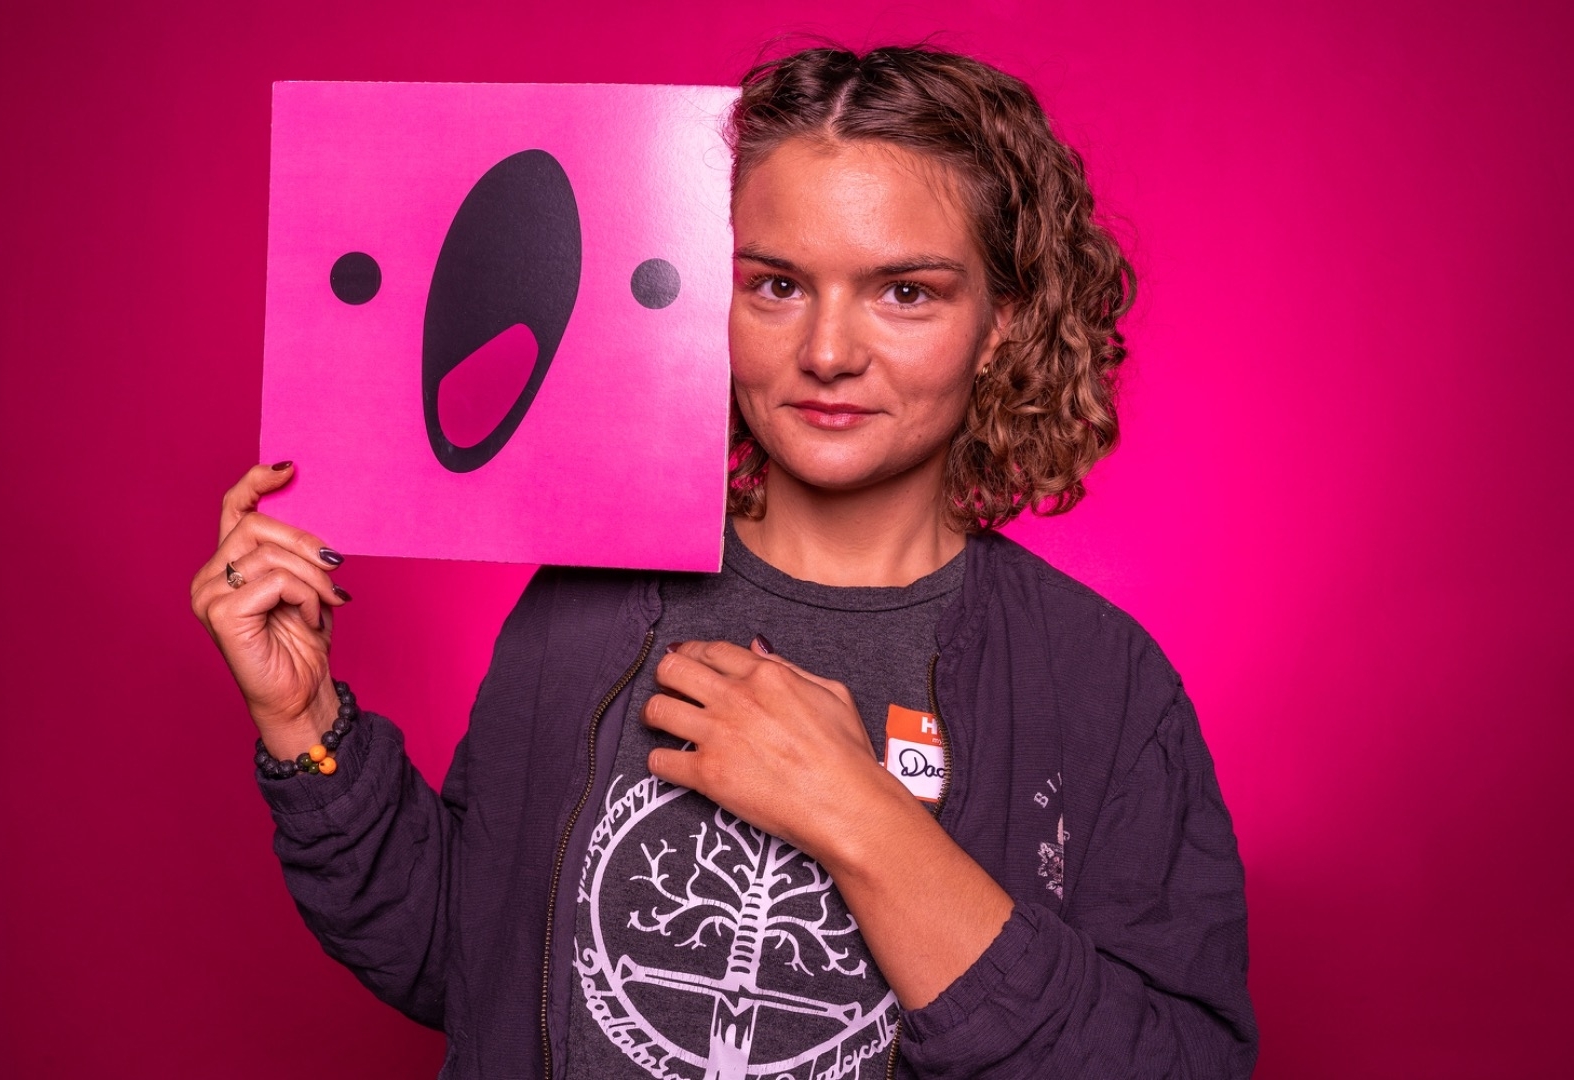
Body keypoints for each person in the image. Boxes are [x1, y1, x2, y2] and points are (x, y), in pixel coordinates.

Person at [192, 44, 1258, 1079]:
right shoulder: (588, 605)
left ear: (1000, 326)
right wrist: (306, 724)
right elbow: (465, 961)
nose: (828, 353)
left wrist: (860, 817)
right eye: (777, 285)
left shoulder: (1098, 681)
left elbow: (1181, 1061)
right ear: (713, 293)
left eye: (906, 292)